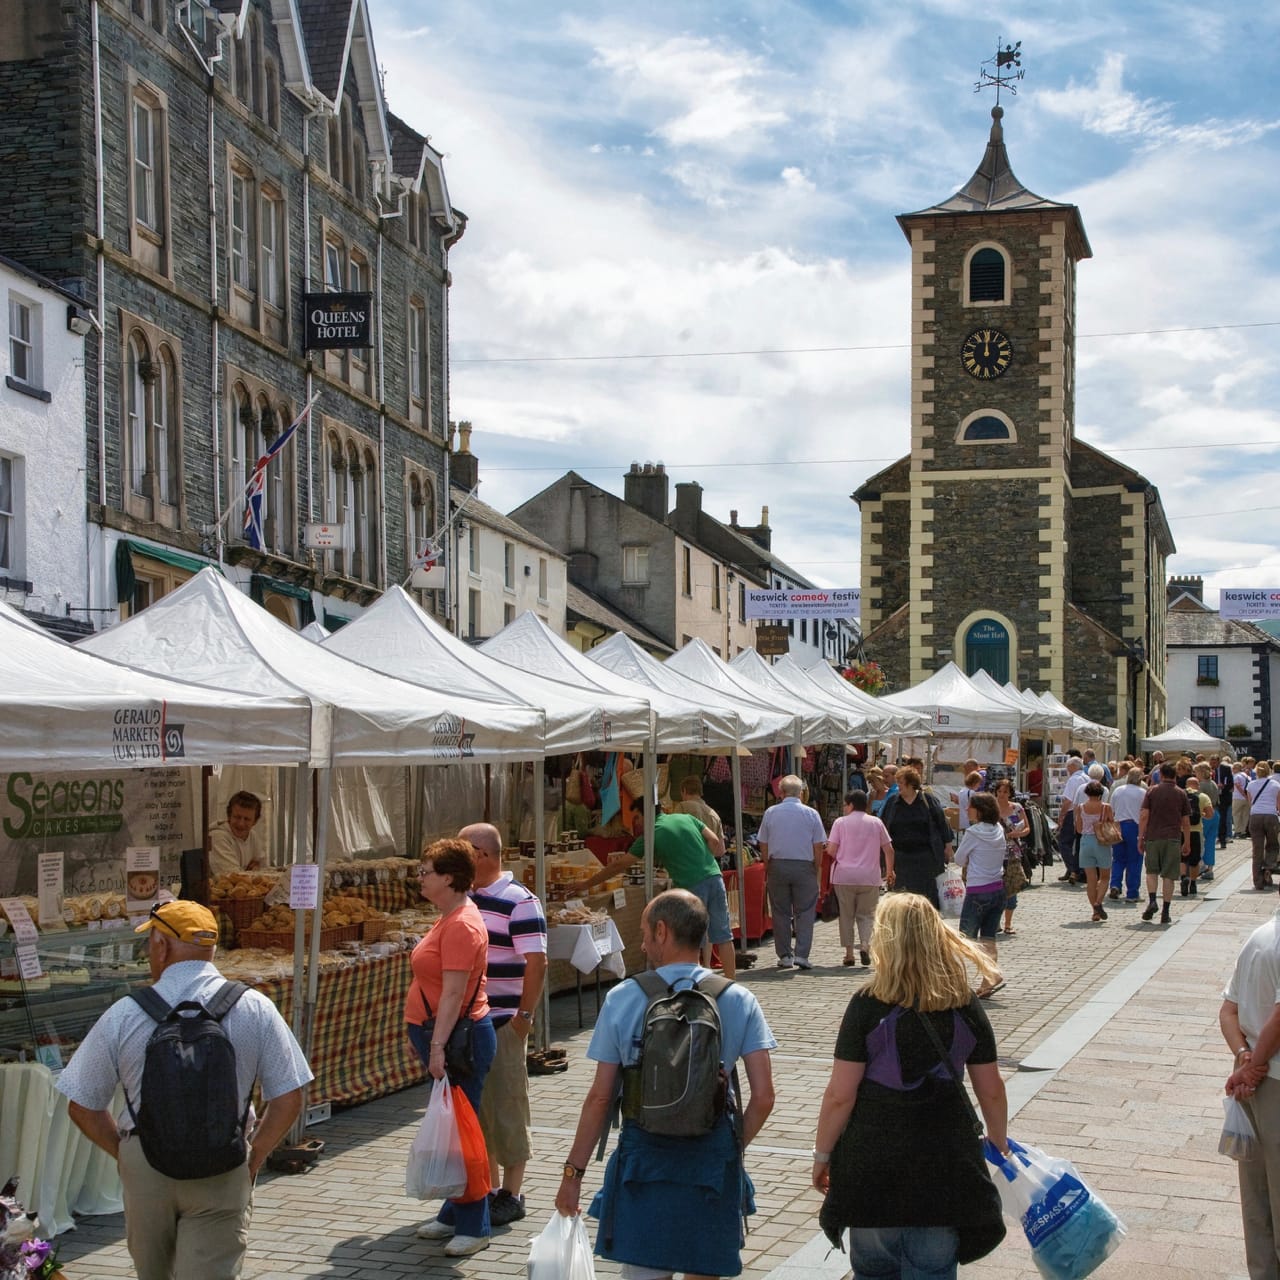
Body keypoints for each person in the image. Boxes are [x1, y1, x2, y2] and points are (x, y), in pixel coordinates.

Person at [57, 901, 312, 1280]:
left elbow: (81, 1104)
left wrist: (126, 1155)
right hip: (223, 1162)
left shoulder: (126, 1012)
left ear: (161, 947)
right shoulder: (254, 1006)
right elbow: (290, 1095)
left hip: (146, 1164)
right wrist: (254, 1158)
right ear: (212, 948)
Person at [555, 889, 777, 1279]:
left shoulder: (624, 997)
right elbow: (763, 1097)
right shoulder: (739, 998)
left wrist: (573, 1174)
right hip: (710, 1160)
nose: (641, 942)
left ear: (662, 931)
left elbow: (600, 1097)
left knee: (643, 1271)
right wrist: (732, 1145)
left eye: (643, 932)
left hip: (645, 1158)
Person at [813, 894, 1008, 1280]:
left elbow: (840, 1095)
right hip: (945, 1165)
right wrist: (999, 1144)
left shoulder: (867, 1004)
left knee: (874, 1271)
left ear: (885, 939)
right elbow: (991, 1089)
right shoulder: (962, 1003)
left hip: (872, 1163)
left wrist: (822, 1156)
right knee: (933, 1269)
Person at [408, 839, 498, 1257]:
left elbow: (453, 993)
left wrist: (437, 1046)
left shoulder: (461, 923)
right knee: (453, 1132)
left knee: (463, 1135)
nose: (420, 878)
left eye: (426, 871)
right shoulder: (450, 916)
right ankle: (452, 1213)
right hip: (450, 1035)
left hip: (459, 1039)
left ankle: (474, 1223)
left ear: (448, 877)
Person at [459, 822, 547, 1228]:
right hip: (473, 1023)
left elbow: (537, 962)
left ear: (483, 855)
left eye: (462, 851)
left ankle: (512, 1192)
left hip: (503, 1022)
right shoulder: (467, 900)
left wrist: (523, 1020)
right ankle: (489, 1190)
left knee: (509, 1105)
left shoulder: (520, 901)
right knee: (481, 1112)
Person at [581, 810, 736, 978]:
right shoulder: (686, 817)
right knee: (724, 936)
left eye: (637, 818)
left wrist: (586, 884)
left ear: (645, 814)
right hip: (714, 876)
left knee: (689, 941)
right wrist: (702, 860)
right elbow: (714, 840)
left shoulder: (652, 833)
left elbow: (618, 866)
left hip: (691, 885)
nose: (636, 823)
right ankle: (731, 982)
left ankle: (693, 986)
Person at [1219, 904, 1280, 1280]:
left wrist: (1244, 1058)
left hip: (1251, 1082)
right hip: (1271, 1080)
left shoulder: (1258, 938)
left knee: (1256, 1195)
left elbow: (1228, 1011)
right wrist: (1256, 1063)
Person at [757, 775, 828, 970]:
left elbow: (763, 841)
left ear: (781, 792)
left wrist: (767, 863)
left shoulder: (771, 812)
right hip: (804, 865)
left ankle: (785, 955)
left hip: (777, 865)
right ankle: (802, 955)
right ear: (801, 792)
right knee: (805, 911)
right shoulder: (811, 814)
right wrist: (816, 868)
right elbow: (818, 845)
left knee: (780, 911)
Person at [827, 790, 895, 967]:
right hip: (870, 877)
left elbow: (831, 850)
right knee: (866, 915)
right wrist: (889, 871)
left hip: (844, 876)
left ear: (850, 805)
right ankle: (865, 945)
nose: (844, 808)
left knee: (846, 915)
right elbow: (889, 850)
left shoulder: (840, 823)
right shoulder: (876, 822)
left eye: (845, 804)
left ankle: (849, 954)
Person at [953, 793, 1007, 998]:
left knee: (964, 940)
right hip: (997, 889)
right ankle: (988, 980)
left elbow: (958, 859)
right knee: (988, 938)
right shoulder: (999, 828)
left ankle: (964, 982)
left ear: (980, 810)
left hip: (977, 891)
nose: (967, 810)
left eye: (971, 807)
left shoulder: (973, 832)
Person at [879, 767, 953, 909]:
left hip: (926, 860)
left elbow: (942, 823)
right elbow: (883, 827)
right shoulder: (893, 803)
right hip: (900, 861)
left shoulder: (928, 800)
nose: (898, 785)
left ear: (911, 784)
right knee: (902, 901)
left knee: (927, 900)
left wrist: (948, 847)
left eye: (901, 782)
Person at [1138, 763, 1190, 924]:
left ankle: (1153, 900)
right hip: (1173, 838)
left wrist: (1140, 836)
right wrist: (1187, 841)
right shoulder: (1181, 793)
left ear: (1160, 775)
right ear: (1176, 775)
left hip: (1153, 837)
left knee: (1151, 871)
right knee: (1169, 875)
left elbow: (1144, 815)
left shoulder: (1152, 791)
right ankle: (1165, 912)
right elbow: (1186, 821)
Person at [992, 778, 1029, 936]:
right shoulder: (990, 807)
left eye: (1005, 792)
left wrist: (1018, 833)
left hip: (1013, 853)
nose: (1002, 795)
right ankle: (995, 922)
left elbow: (1027, 828)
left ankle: (1008, 923)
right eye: (999, 791)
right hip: (993, 852)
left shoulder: (1017, 808)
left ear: (1010, 793)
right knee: (995, 888)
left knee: (1012, 887)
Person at [1076, 781, 1115, 923]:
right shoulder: (1106, 807)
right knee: (1105, 876)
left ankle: (1095, 912)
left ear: (1086, 793)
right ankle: (1099, 902)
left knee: (1091, 880)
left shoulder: (1081, 807)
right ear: (1101, 793)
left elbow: (1079, 829)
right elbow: (1111, 823)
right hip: (1102, 842)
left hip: (1086, 842)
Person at [1108, 767, 1147, 903]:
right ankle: (1132, 892)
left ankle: (1115, 884)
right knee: (1134, 860)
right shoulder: (1143, 793)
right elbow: (1145, 813)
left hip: (1118, 825)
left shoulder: (1118, 791)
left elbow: (1110, 810)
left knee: (1118, 859)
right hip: (1134, 826)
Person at [207, 790, 264, 877]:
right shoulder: (217, 837)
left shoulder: (253, 835)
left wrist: (255, 868)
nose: (241, 823)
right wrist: (252, 872)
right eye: (237, 817)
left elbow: (263, 867)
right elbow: (233, 877)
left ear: (255, 821)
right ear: (229, 816)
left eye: (247, 819)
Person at [1247, 763, 1280, 889]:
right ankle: (1268, 867)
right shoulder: (1276, 785)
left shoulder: (1251, 784)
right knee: (1273, 845)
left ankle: (1258, 882)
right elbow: (1278, 804)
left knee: (1257, 849)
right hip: (1271, 816)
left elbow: (1251, 803)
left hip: (1255, 816)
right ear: (1269, 771)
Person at [1057, 757, 1087, 884]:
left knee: (1064, 842)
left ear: (1074, 766)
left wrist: (1061, 815)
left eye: (1068, 767)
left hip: (1072, 813)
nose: (1067, 770)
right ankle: (1074, 870)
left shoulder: (1073, 779)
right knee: (1079, 844)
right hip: (1086, 813)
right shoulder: (1088, 777)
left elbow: (1068, 800)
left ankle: (1073, 869)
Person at [1182, 777, 1212, 897]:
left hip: (1181, 830)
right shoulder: (1203, 796)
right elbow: (1210, 814)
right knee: (1195, 858)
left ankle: (1184, 877)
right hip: (1196, 830)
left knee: (1182, 858)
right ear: (1197, 785)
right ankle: (1193, 883)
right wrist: (1202, 814)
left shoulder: (1180, 794)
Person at [674, 774, 725, 842]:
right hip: (707, 852)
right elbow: (721, 849)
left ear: (684, 791)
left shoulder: (682, 807)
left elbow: (674, 833)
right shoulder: (715, 816)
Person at [1195, 762, 1221, 881]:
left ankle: (1201, 866)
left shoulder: (1201, 785)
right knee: (1210, 842)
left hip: (1205, 814)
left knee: (1199, 842)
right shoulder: (1213, 784)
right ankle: (1210, 869)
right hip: (1215, 813)